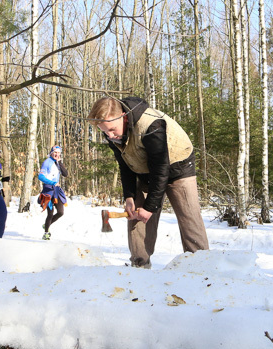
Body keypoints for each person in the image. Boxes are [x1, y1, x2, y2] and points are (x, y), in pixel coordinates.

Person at [88, 96, 209, 268]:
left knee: (189, 217)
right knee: (136, 214)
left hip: (178, 165)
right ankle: (139, 264)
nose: (110, 135)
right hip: (144, 168)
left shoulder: (152, 125)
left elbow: (161, 168)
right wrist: (129, 196)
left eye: (112, 130)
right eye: (105, 131)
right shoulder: (112, 131)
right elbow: (125, 164)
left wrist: (150, 207)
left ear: (123, 116)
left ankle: (202, 266)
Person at [38, 145, 68, 240]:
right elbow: (41, 177)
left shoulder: (57, 163)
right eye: (55, 152)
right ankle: (46, 233)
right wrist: (52, 182)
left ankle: (47, 224)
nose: (57, 154)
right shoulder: (47, 162)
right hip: (48, 190)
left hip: (56, 190)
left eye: (58, 153)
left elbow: (65, 174)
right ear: (51, 153)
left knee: (60, 212)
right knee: (50, 213)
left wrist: (60, 162)